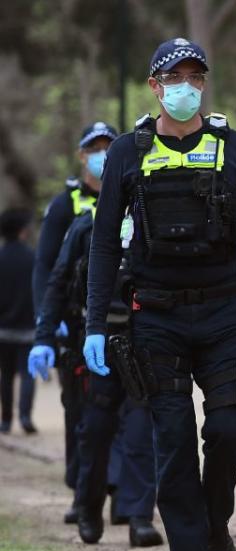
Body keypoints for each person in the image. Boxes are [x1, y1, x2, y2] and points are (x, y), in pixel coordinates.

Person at [82, 37, 236, 551]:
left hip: (224, 310)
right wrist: (97, 322)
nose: (185, 87)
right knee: (172, 439)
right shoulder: (129, 150)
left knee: (229, 430)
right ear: (154, 86)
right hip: (156, 316)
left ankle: (214, 523)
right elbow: (104, 243)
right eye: (175, 77)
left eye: (195, 77)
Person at [27, 200, 163, 549]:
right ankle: (89, 507)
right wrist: (44, 337)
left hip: (143, 341)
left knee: (140, 431)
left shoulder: (154, 216)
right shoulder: (86, 225)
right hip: (96, 342)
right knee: (95, 431)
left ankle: (138, 517)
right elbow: (58, 283)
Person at [32, 122, 118, 521]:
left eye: (108, 146)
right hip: (74, 322)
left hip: (120, 319)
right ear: (82, 155)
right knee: (79, 410)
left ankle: (121, 491)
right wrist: (46, 328)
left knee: (123, 409)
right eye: (94, 148)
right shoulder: (66, 204)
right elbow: (46, 266)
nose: (102, 153)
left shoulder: (130, 192)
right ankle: (80, 488)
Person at [0, 207, 36, 435]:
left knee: (5, 375)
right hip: (28, 327)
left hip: (3, 329)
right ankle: (25, 416)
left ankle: (5, 420)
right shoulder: (33, 258)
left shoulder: (1, 257)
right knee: (28, 373)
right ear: (23, 230)